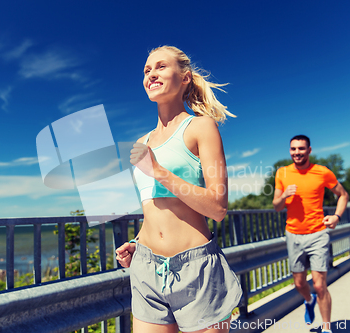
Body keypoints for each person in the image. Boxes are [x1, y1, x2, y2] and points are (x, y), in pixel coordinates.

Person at [115, 46, 242, 333]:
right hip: (146, 268)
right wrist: (137, 243)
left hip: (195, 270)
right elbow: (155, 208)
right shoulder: (141, 142)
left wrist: (159, 171)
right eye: (147, 70)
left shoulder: (200, 127)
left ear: (184, 78)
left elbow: (218, 208)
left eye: (160, 67)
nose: (151, 74)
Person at [272, 135, 349, 333]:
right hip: (293, 234)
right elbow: (276, 206)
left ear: (309, 150)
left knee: (319, 284)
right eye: (293, 149)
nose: (297, 152)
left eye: (301, 148)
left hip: (318, 233)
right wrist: (283, 195)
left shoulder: (322, 172)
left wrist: (336, 216)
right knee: (299, 283)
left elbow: (343, 194)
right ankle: (308, 300)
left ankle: (326, 327)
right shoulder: (282, 172)